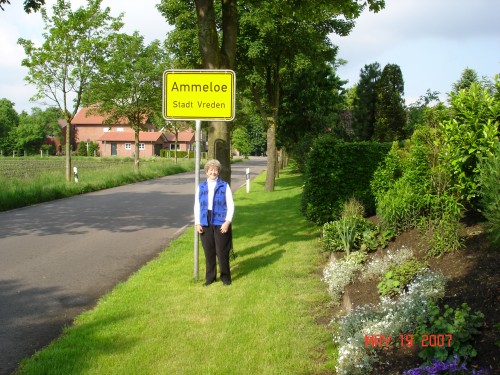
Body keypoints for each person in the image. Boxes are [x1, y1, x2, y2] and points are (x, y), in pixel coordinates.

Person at [194, 159, 235, 286]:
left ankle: (225, 278)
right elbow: (197, 205)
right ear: (206, 171)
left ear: (218, 172)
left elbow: (231, 205)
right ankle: (210, 278)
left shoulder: (224, 186)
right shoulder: (201, 186)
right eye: (211, 170)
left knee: (222, 251)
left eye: (216, 170)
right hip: (205, 220)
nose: (213, 172)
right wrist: (197, 223)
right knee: (209, 251)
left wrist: (227, 222)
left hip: (220, 220)